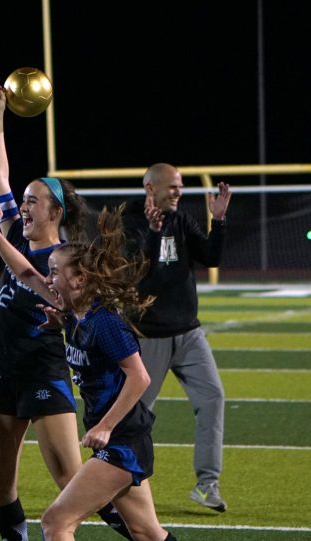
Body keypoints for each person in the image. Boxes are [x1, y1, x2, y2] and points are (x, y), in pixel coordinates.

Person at [0, 87, 133, 540]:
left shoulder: (64, 260)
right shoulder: (18, 236)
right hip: (1, 373)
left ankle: (142, 533)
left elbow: (28, 273)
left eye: (32, 200)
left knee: (72, 481)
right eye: (22, 201)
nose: (22, 206)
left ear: (56, 210)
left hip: (44, 372)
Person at [0, 202, 177, 541]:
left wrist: (105, 426)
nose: (48, 278)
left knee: (55, 523)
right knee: (146, 532)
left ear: (80, 278)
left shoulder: (103, 321)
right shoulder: (71, 311)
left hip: (123, 441)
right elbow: (25, 273)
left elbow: (140, 377)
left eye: (55, 272)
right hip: (123, 439)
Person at [123, 163, 232, 512]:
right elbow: (136, 273)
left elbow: (211, 257)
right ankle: (114, 480)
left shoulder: (183, 221)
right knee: (135, 416)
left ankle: (207, 485)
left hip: (189, 332)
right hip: (150, 336)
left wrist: (220, 221)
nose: (178, 192)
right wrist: (153, 234)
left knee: (213, 397)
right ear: (150, 188)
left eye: (180, 186)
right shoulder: (131, 222)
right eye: (172, 186)